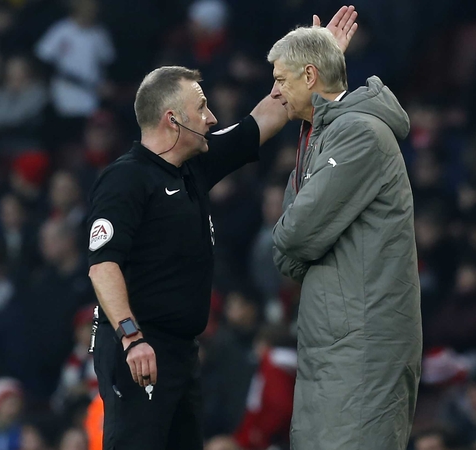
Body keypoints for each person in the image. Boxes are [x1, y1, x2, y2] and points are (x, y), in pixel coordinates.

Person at [86, 8, 358, 450]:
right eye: (202, 108)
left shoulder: (194, 166)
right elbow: (103, 267)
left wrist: (316, 60)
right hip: (140, 350)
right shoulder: (125, 180)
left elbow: (266, 116)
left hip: (181, 352)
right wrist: (132, 338)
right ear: (173, 120)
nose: (212, 117)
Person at [268, 25, 422, 450]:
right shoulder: (320, 136)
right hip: (336, 338)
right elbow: (287, 247)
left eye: (281, 79)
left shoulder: (358, 132)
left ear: (310, 76)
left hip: (363, 341)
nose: (276, 91)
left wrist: (296, 242)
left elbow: (294, 237)